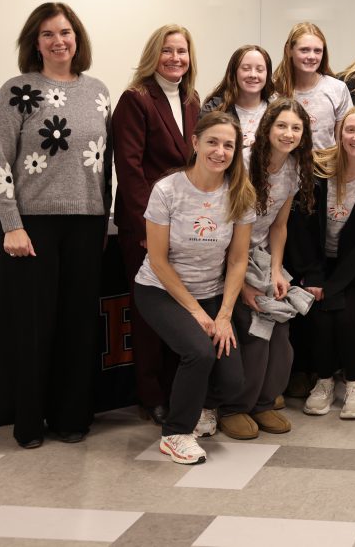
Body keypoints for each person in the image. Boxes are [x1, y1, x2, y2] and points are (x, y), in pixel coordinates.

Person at [0, 2, 111, 449]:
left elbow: (105, 166)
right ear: (35, 43)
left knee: (78, 325)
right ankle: (29, 423)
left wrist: (103, 221)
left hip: (86, 223)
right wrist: (11, 224)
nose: (59, 41)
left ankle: (71, 417)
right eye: (48, 34)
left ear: (77, 38)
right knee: (34, 327)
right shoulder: (17, 91)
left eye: (65, 32)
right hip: (32, 226)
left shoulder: (98, 92)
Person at [132, 112, 256, 465]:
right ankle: (175, 434)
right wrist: (198, 313)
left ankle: (201, 404)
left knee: (232, 383)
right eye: (212, 142)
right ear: (195, 143)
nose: (220, 151)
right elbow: (159, 261)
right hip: (160, 289)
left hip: (212, 292)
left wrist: (224, 315)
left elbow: (237, 260)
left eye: (228, 145)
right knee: (200, 352)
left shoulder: (240, 193)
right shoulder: (167, 190)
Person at [112, 24, 201, 426]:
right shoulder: (136, 99)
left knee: (179, 310)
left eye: (182, 51)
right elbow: (130, 170)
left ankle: (176, 388)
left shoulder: (191, 99)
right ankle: (151, 395)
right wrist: (149, 229)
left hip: (184, 225)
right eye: (167, 51)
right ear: (154, 55)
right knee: (150, 311)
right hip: (146, 227)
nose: (175, 58)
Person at [216, 99, 316, 439]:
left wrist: (275, 272)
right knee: (254, 330)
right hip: (226, 256)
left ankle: (263, 402)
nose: (288, 134)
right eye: (281, 126)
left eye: (296, 128)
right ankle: (234, 407)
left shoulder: (293, 168)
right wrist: (242, 285)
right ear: (267, 129)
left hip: (259, 257)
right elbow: (225, 224)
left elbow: (279, 226)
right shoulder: (243, 163)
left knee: (281, 330)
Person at [286, 106, 355, 419]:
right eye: (350, 130)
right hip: (316, 263)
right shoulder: (318, 169)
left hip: (354, 268)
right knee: (320, 318)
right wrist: (314, 277)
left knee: (345, 317)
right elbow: (301, 229)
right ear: (339, 133)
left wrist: (332, 287)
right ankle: (324, 381)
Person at [272, 22, 352, 150]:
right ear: (289, 50)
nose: (311, 56)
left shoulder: (338, 89)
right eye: (304, 50)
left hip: (326, 162)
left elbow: (343, 142)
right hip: (285, 162)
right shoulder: (273, 90)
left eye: (317, 51)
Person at [200, 44, 274, 147]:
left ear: (267, 74)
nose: (253, 75)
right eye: (246, 69)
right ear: (234, 73)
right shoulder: (214, 109)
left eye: (260, 70)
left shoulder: (277, 112)